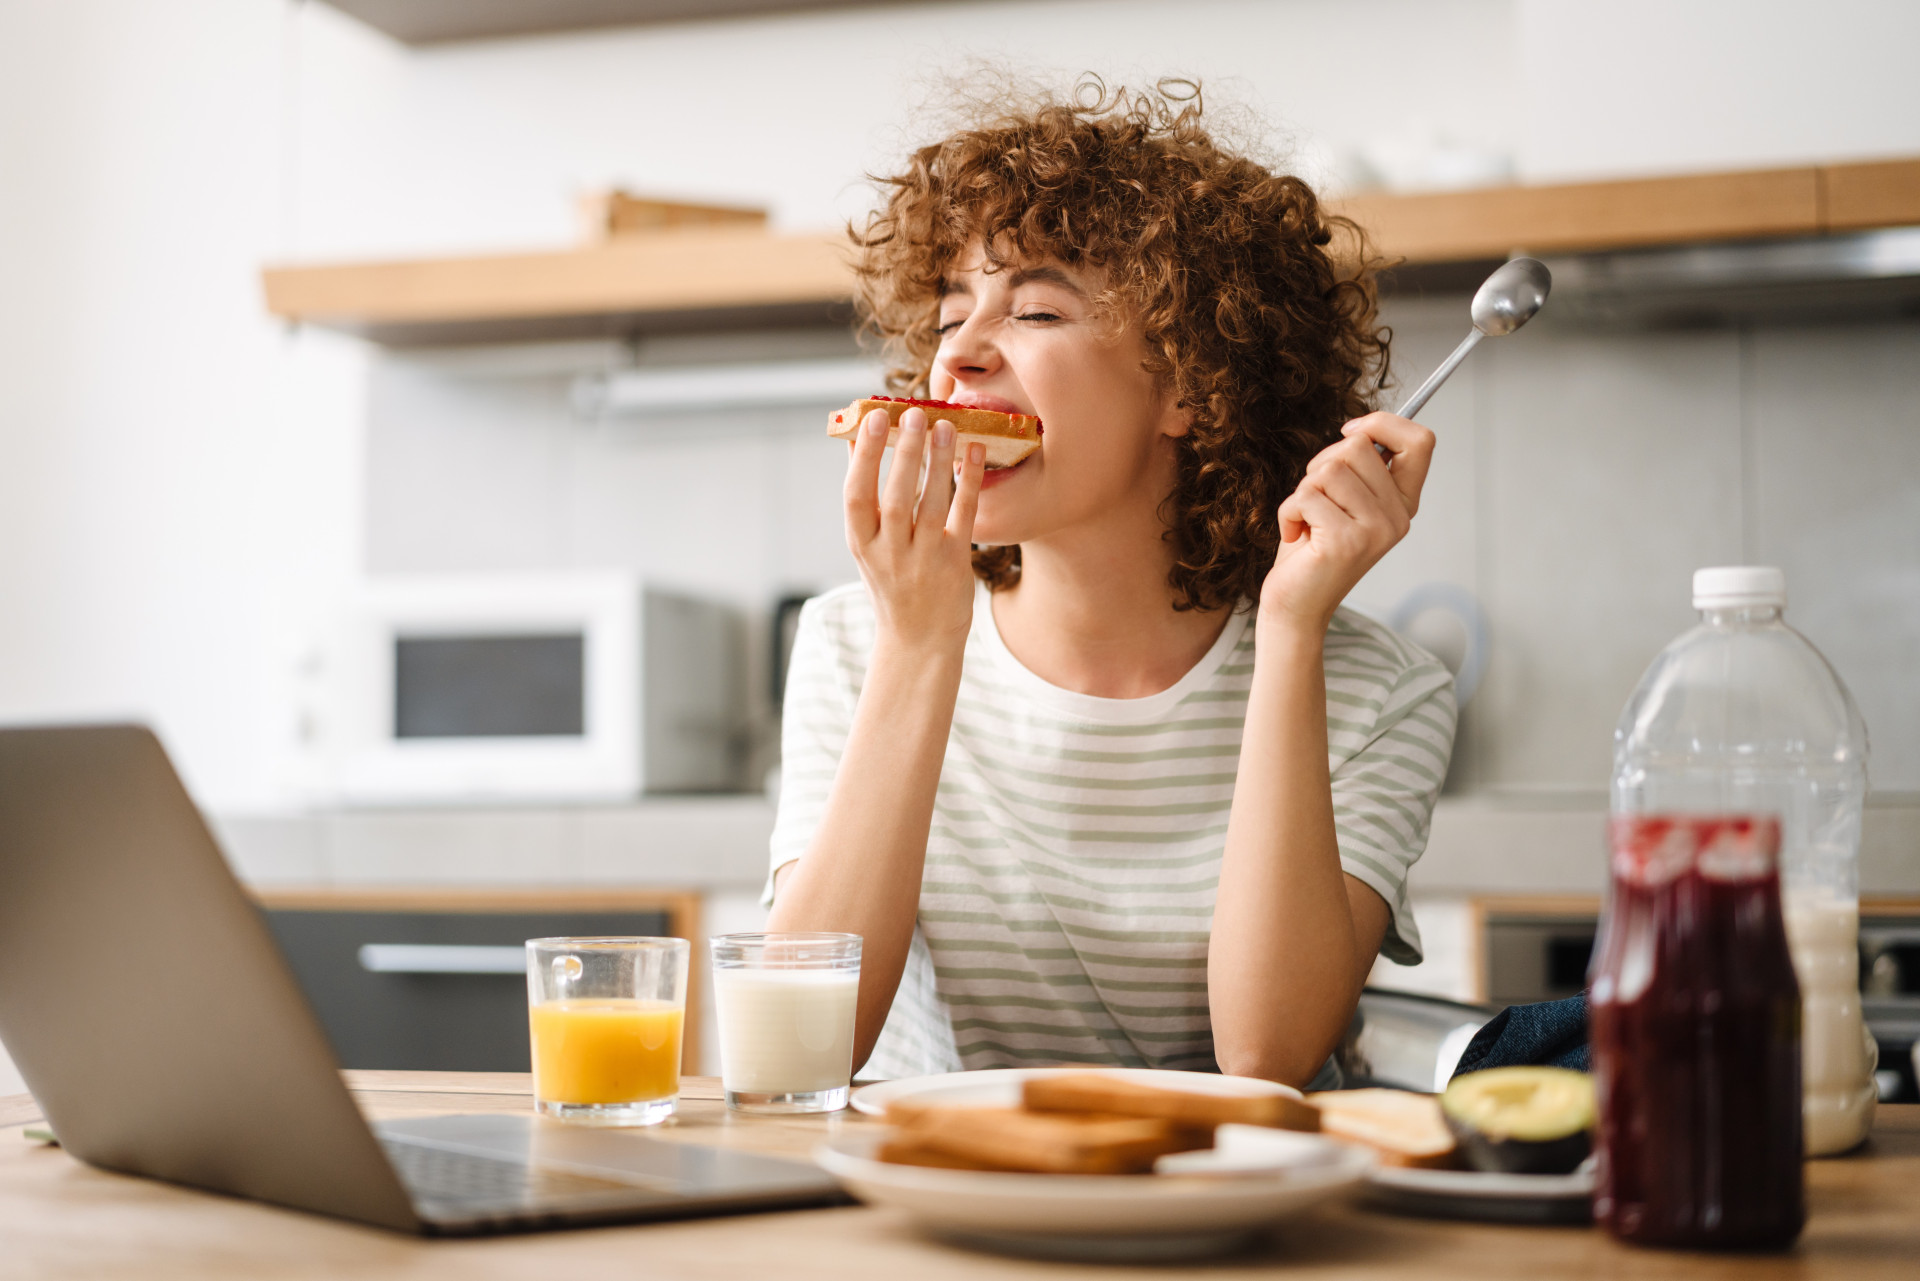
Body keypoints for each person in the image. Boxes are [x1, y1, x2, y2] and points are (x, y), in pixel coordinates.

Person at [765, 81, 1455, 1088]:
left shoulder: (1377, 692)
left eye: (1036, 308)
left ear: (1190, 385)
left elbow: (1265, 1057)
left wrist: (1294, 630)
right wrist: (918, 646)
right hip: (946, 1216)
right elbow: (795, 1053)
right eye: (954, 313)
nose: (958, 352)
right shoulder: (853, 643)